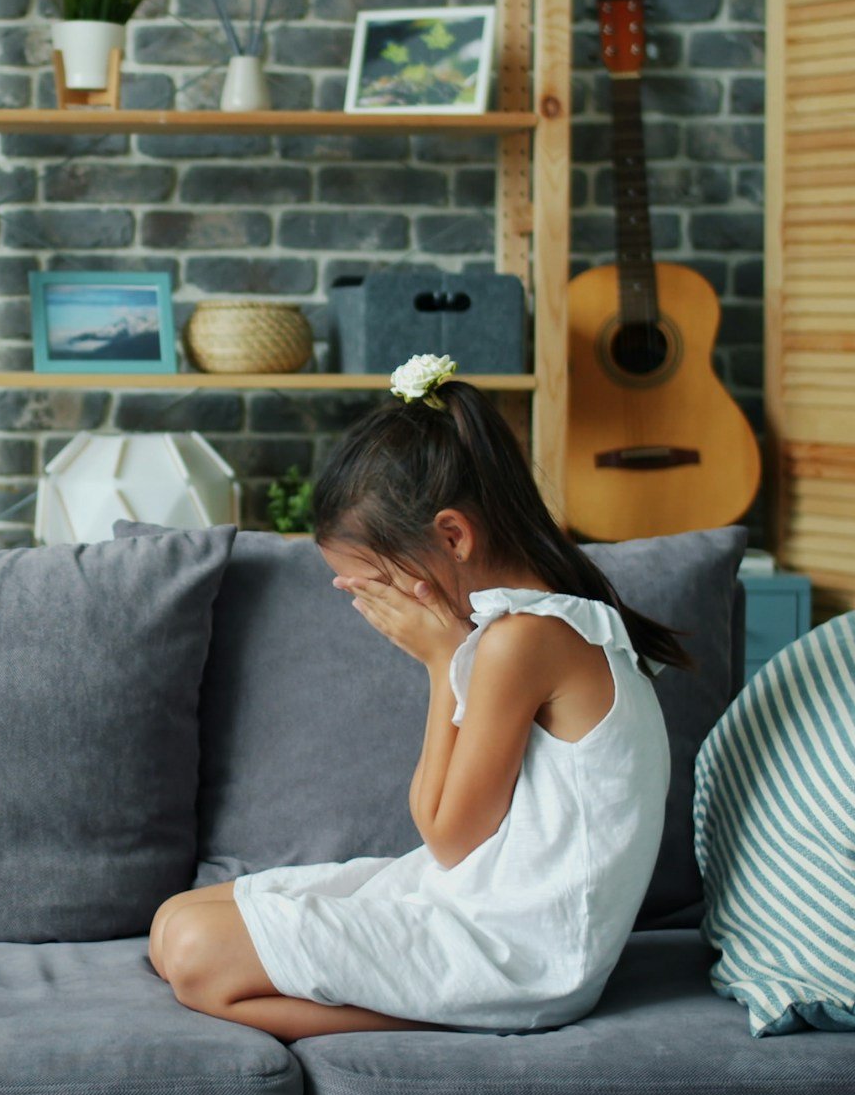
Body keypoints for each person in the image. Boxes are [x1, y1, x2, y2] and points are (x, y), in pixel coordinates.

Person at [146, 354, 690, 1039]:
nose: (374, 606)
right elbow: (445, 847)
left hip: (521, 952)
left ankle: (438, 1014)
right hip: (465, 898)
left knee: (196, 952)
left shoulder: (522, 640)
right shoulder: (532, 626)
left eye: (377, 582)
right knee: (173, 921)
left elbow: (450, 836)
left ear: (453, 536)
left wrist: (442, 663)